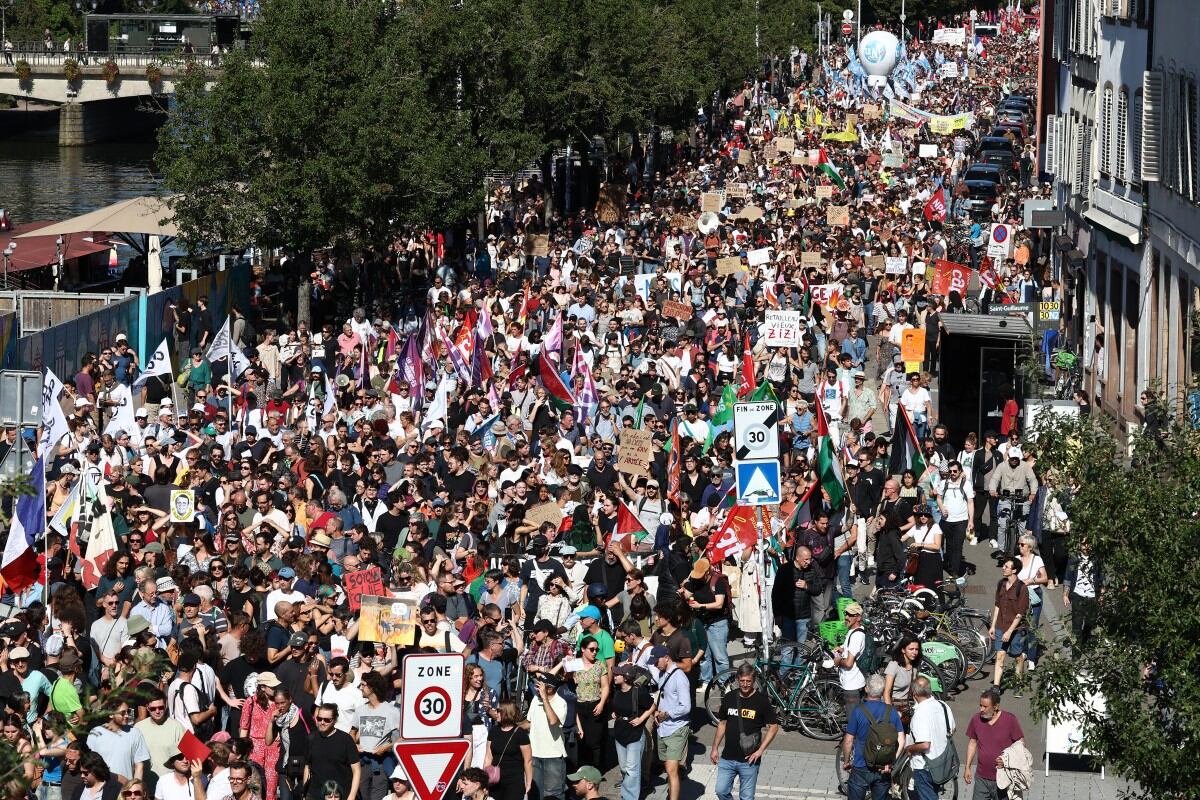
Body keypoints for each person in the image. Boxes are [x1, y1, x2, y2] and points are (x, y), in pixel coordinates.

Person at [710, 663, 779, 800]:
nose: (745, 684)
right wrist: (714, 748)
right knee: (721, 791)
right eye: (742, 681)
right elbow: (722, 723)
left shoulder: (761, 700)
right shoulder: (729, 697)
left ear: (753, 681)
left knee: (746, 797)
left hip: (749, 760)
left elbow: (774, 726)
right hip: (727, 757)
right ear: (737, 679)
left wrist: (760, 751)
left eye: (748, 681)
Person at [840, 674, 905, 800]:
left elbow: (848, 741)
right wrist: (891, 762)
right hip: (883, 767)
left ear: (866, 689)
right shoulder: (891, 711)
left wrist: (847, 761)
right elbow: (901, 740)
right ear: (882, 690)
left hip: (861, 765)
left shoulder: (858, 711)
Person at [964, 688, 1024, 800]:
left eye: (985, 706)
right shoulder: (976, 720)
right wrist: (967, 767)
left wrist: (1008, 758)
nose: (981, 709)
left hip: (1004, 778)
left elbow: (1020, 743)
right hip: (982, 778)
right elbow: (972, 743)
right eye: (980, 705)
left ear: (995, 707)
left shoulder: (1009, 720)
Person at [608, 663, 654, 800]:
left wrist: (641, 719)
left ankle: (629, 797)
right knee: (623, 767)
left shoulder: (638, 692)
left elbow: (652, 706)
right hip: (620, 732)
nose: (614, 676)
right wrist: (614, 713)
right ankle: (628, 787)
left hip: (635, 733)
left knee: (632, 769)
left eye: (618, 674)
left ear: (626, 677)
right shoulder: (616, 691)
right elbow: (616, 706)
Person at [905, 677, 956, 800]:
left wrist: (909, 748)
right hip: (943, 761)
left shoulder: (920, 714)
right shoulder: (943, 706)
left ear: (914, 693)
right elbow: (952, 729)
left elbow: (924, 745)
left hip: (925, 766)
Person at [652, 645, 691, 800]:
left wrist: (667, 714)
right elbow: (664, 698)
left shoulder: (679, 677)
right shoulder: (663, 674)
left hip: (677, 728)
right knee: (667, 767)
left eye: (657, 660)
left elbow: (686, 706)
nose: (655, 663)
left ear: (666, 658)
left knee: (671, 769)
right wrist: (657, 711)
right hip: (663, 728)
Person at [989, 557, 1029, 695]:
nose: (1003, 568)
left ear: (1014, 570)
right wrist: (993, 626)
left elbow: (1020, 613)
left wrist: (1010, 631)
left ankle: (1019, 681)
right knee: (1000, 655)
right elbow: (997, 605)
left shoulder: (1022, 588)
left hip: (1016, 629)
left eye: (1006, 566)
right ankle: (996, 687)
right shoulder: (1001, 584)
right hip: (1001, 626)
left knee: (1017, 655)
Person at [304, 704, 361, 800]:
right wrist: (305, 793)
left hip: (339, 795)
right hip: (315, 794)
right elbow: (307, 767)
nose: (322, 722)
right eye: (319, 718)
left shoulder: (345, 740)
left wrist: (351, 796)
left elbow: (357, 770)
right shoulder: (311, 739)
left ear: (334, 721)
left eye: (327, 720)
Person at [527, 673, 568, 800]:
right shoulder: (535, 699)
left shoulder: (561, 702)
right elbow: (529, 722)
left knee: (553, 794)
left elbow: (553, 721)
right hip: (534, 754)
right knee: (535, 793)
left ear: (549, 688)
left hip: (553, 756)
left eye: (540, 686)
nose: (537, 688)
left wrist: (544, 699)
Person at [484, 700, 532, 800]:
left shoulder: (520, 734)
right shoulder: (494, 731)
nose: (495, 713)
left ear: (506, 713)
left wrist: (528, 782)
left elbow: (528, 761)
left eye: (498, 711)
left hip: (514, 780)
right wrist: (485, 779)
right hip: (495, 779)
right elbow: (488, 756)